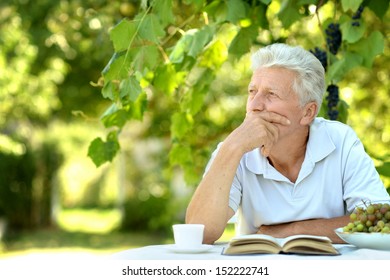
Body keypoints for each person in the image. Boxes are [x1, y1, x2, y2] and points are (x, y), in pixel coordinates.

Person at [185, 43, 390, 244]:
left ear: (307, 112)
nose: (254, 106)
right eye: (252, 92)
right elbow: (199, 233)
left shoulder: (340, 140)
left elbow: (379, 219)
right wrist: (231, 149)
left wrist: (291, 230)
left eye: (271, 94)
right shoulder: (234, 149)